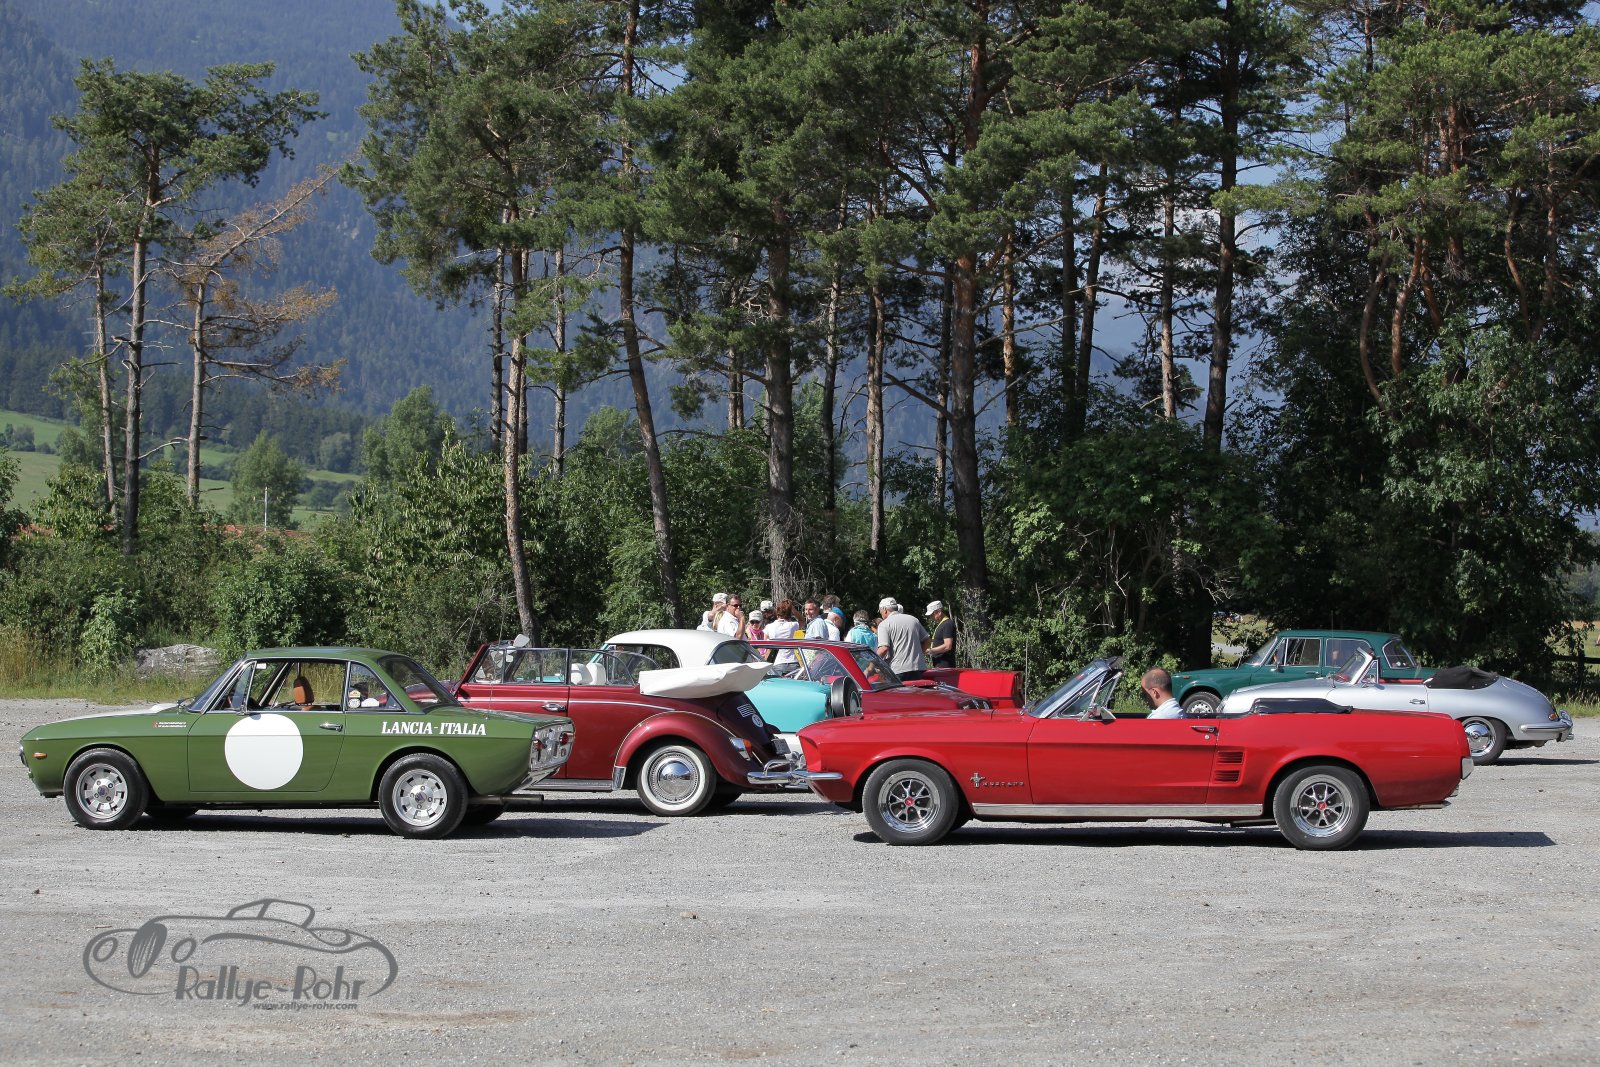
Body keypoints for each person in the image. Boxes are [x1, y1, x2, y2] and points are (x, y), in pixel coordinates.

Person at [875, 597, 929, 679]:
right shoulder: (913, 620)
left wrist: (871, 664)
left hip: (898, 669)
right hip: (918, 668)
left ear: (885, 610)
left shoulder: (884, 624)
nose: (881, 614)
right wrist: (920, 654)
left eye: (880, 611)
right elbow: (927, 640)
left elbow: (883, 648)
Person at [764, 599, 800, 666]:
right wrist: (792, 609)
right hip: (793, 661)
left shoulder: (769, 627)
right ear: (789, 613)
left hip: (777, 662)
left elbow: (767, 647)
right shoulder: (792, 625)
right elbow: (802, 620)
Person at [925, 601, 955, 668]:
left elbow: (948, 646)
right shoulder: (942, 624)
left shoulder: (947, 624)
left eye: (932, 615)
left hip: (945, 664)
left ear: (939, 612)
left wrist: (930, 650)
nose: (931, 617)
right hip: (939, 663)